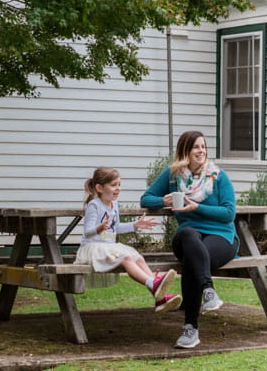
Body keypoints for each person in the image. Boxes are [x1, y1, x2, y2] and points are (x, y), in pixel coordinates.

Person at [140, 130, 236, 349]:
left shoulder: (218, 176)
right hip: (189, 237)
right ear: (185, 150)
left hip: (221, 236)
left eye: (203, 147)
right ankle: (208, 291)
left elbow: (229, 213)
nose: (201, 151)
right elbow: (146, 198)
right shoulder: (173, 176)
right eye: (196, 147)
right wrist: (162, 201)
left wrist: (198, 207)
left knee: (192, 262)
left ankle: (190, 328)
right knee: (186, 233)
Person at [78, 167, 181, 311]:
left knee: (137, 257)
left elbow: (116, 228)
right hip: (93, 248)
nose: (118, 188)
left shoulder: (114, 205)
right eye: (113, 185)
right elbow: (87, 232)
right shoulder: (94, 205)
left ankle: (159, 295)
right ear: (99, 187)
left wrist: (135, 225)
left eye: (119, 184)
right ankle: (154, 285)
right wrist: (99, 228)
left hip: (109, 247)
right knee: (126, 258)